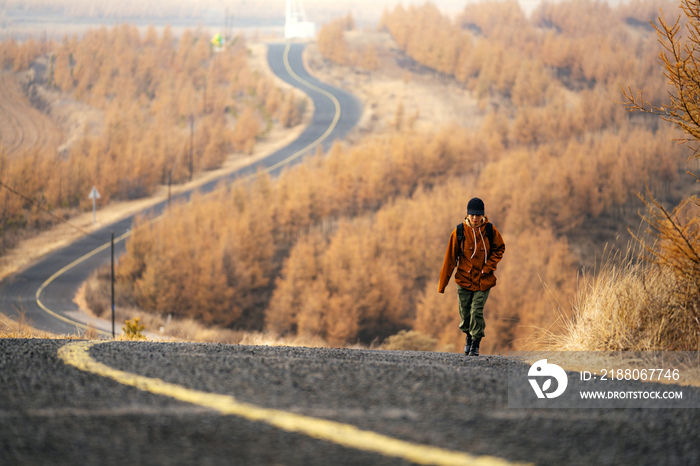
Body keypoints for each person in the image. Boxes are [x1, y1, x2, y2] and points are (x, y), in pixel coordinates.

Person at [438, 198, 505, 356]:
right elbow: (449, 260)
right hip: (464, 280)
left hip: (483, 281)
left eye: (478, 215)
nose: (475, 218)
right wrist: (442, 284)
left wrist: (488, 267)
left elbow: (500, 248)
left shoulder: (490, 230)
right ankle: (469, 336)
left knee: (477, 311)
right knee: (465, 313)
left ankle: (475, 343)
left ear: (483, 215)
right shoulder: (459, 231)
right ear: (467, 214)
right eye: (472, 214)